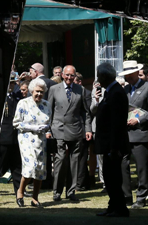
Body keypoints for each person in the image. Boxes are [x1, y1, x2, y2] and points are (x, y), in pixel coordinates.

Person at [46, 65, 92, 202]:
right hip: (58, 129)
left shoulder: (81, 90)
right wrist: (48, 129)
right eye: (67, 75)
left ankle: (71, 191)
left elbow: (86, 112)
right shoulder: (54, 89)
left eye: (72, 75)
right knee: (60, 161)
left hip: (75, 130)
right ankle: (57, 192)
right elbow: (49, 111)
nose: (69, 78)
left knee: (75, 162)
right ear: (62, 75)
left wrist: (88, 129)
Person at [120, 61, 148, 209]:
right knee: (123, 166)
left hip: (140, 133)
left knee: (141, 168)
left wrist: (138, 119)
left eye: (130, 74)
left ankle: (141, 198)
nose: (128, 77)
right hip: (125, 134)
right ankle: (127, 197)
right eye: (126, 75)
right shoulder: (125, 89)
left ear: (137, 73)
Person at [94, 63, 130, 217]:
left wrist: (114, 148)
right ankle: (113, 206)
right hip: (108, 143)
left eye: (98, 75)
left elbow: (117, 123)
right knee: (110, 177)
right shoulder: (110, 91)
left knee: (113, 178)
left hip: (112, 145)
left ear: (104, 76)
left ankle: (120, 208)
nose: (97, 78)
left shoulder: (116, 93)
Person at [13, 78, 52, 208]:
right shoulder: (23, 103)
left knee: (39, 169)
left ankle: (35, 198)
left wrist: (46, 128)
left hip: (41, 139)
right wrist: (32, 127)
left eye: (41, 92)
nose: (39, 94)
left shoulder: (46, 105)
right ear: (31, 91)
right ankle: (20, 191)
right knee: (30, 167)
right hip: (26, 138)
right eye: (37, 91)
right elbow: (16, 123)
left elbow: (49, 122)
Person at [0, 74, 24, 197]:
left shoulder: (17, 97)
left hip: (15, 136)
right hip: (3, 135)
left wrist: (22, 82)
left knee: (16, 165)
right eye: (10, 82)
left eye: (13, 83)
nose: (11, 85)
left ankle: (19, 190)